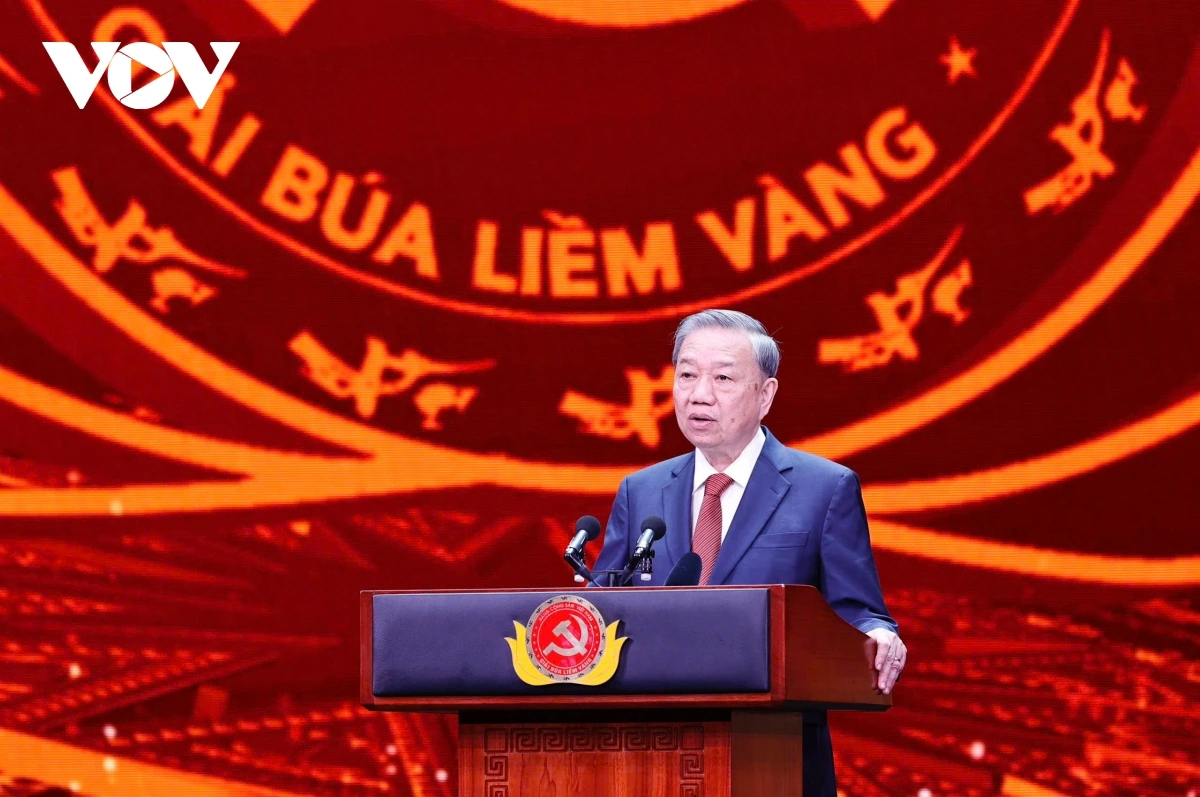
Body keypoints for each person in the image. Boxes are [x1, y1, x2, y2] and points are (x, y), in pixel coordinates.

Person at [591, 309, 907, 797]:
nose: (699, 394)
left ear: (766, 394)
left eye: (722, 378)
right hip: (650, 756)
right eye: (687, 375)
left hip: (775, 751)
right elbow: (601, 605)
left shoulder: (824, 489)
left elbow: (856, 611)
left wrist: (879, 635)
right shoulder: (641, 491)